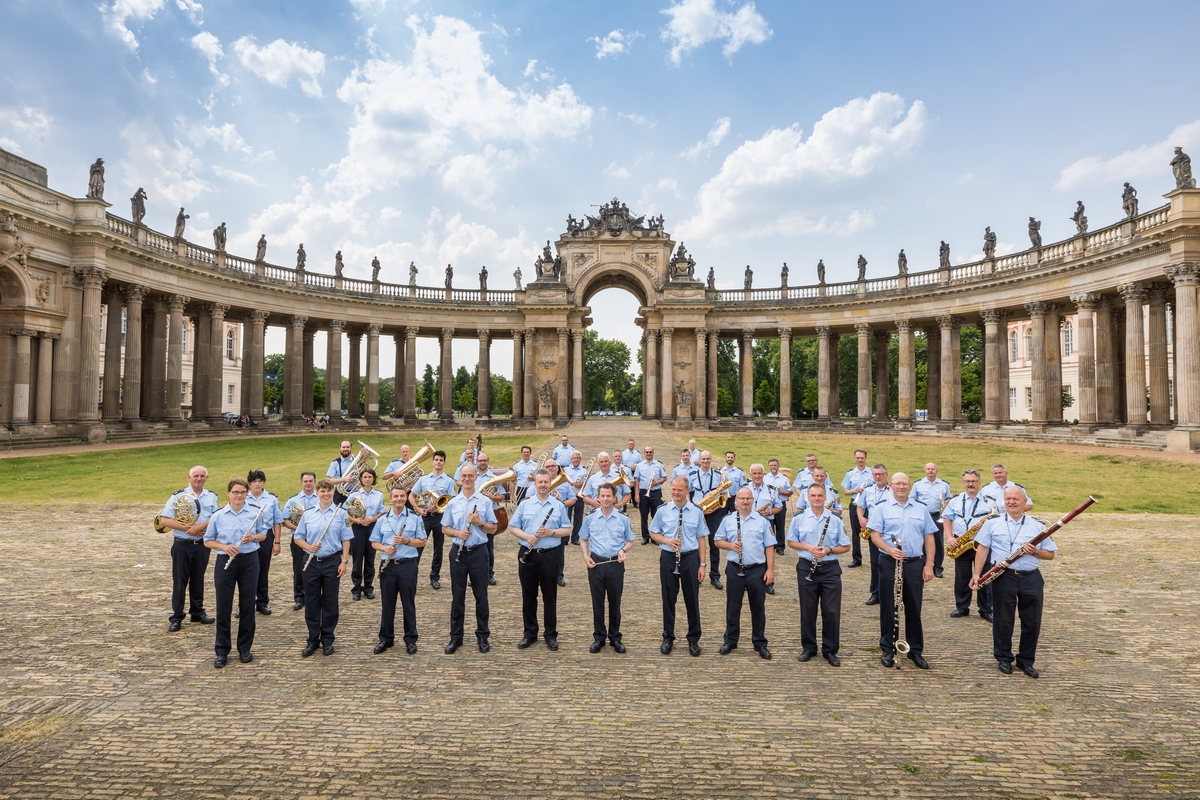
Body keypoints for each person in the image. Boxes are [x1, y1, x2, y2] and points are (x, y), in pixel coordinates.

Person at [971, 486, 1057, 678]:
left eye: (1016, 499)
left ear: (1024, 502)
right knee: (1003, 620)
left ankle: (1026, 661)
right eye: (1008, 498)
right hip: (1004, 576)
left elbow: (1050, 555)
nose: (1011, 502)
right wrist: (977, 574)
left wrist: (1034, 551)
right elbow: (983, 550)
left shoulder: (1037, 526)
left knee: (1032, 621)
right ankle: (1003, 658)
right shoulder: (993, 523)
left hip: (1031, 577)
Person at [867, 472, 938, 669]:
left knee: (914, 608)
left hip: (915, 563)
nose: (901, 487)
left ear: (909, 486)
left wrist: (929, 565)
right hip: (889, 561)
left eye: (904, 484)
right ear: (891, 486)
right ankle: (888, 649)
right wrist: (889, 549)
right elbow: (875, 535)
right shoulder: (882, 508)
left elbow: (929, 539)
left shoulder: (921, 509)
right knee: (889, 607)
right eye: (897, 483)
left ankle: (915, 651)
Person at [203, 478, 267, 667]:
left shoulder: (255, 513)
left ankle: (244, 648)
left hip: (249, 561)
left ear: (246, 494)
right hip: (226, 561)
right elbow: (208, 540)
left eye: (242, 492)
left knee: (248, 605)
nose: (239, 495)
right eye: (235, 492)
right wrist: (224, 546)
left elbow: (263, 534)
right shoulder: (218, 515)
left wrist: (253, 537)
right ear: (228, 494)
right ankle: (222, 650)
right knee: (224, 605)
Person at [788, 483, 851, 666]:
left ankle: (830, 650)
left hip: (830, 568)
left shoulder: (836, 520)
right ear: (808, 497)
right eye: (813, 495)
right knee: (808, 609)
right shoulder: (799, 519)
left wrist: (829, 550)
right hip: (806, 566)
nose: (816, 498)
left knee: (831, 611)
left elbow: (846, 546)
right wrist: (808, 546)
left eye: (820, 495)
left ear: (825, 498)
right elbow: (791, 541)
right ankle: (809, 648)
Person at [509, 469, 572, 651]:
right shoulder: (525, 504)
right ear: (534, 484)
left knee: (550, 596)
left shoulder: (558, 505)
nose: (543, 485)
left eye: (546, 482)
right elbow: (513, 527)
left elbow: (567, 530)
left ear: (550, 483)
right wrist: (527, 537)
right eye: (540, 482)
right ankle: (530, 633)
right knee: (528, 596)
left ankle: (550, 635)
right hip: (528, 554)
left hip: (550, 554)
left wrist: (551, 532)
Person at [292, 479, 353, 657]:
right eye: (322, 491)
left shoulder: (341, 514)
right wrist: (308, 547)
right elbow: (298, 537)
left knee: (330, 601)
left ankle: (327, 639)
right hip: (311, 562)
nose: (325, 494)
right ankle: (312, 639)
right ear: (317, 493)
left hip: (332, 561)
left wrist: (344, 561)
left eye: (328, 491)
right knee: (311, 602)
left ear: (333, 492)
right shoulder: (308, 514)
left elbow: (346, 539)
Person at [442, 464, 498, 654]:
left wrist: (479, 523)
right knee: (457, 597)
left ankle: (483, 635)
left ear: (475, 478)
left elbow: (494, 528)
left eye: (470, 476)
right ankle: (455, 637)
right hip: (458, 551)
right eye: (463, 476)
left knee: (481, 596)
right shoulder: (453, 502)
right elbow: (445, 528)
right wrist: (457, 532)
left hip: (478, 552)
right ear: (460, 478)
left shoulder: (484, 502)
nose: (466, 479)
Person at [714, 487, 776, 659]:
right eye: (742, 498)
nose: (745, 501)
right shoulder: (728, 520)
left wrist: (770, 570)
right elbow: (718, 541)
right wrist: (730, 545)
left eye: (748, 498)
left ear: (752, 500)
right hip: (735, 568)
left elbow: (769, 546)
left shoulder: (762, 521)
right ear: (736, 501)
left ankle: (760, 642)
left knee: (758, 608)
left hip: (756, 569)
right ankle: (730, 640)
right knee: (733, 607)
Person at [648, 476, 707, 656]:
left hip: (690, 558)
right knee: (668, 598)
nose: (675, 493)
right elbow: (653, 532)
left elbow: (701, 539)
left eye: (679, 490)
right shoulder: (663, 510)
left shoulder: (696, 511)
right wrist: (666, 540)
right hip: (668, 556)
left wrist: (702, 564)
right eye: (673, 489)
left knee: (692, 599)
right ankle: (668, 636)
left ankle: (693, 639)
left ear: (686, 491)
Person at [160, 466, 219, 632]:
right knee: (180, 581)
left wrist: (201, 526)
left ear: (206, 478)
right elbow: (165, 520)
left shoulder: (212, 496)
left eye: (202, 476)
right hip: (183, 544)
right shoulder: (178, 496)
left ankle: (197, 612)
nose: (198, 479)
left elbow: (215, 516)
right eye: (195, 476)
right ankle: (177, 617)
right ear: (189, 477)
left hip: (202, 545)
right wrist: (188, 529)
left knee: (198, 579)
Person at [579, 484, 635, 653]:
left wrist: (623, 550)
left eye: (608, 496)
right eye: (602, 496)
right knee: (597, 602)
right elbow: (583, 538)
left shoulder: (623, 518)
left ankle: (615, 637)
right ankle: (599, 637)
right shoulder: (590, 518)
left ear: (614, 497)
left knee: (615, 602)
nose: (605, 499)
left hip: (615, 564)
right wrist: (585, 556)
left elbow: (630, 540)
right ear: (598, 497)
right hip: (596, 564)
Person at [371, 485, 426, 655]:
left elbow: (422, 541)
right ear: (391, 498)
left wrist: (406, 541)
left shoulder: (415, 518)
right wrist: (386, 548)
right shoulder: (382, 519)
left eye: (402, 496)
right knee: (388, 604)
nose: (399, 499)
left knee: (408, 604)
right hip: (388, 566)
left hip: (407, 565)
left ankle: (411, 639)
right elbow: (374, 542)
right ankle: (386, 639)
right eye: (396, 496)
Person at [942, 469, 995, 622]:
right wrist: (950, 536)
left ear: (979, 483)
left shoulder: (989, 500)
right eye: (967, 481)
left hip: (983, 542)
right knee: (961, 576)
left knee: (985, 576)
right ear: (963, 482)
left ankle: (985, 609)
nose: (970, 484)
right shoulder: (956, 500)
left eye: (973, 481)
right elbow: (947, 518)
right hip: (962, 542)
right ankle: (962, 607)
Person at [412, 450, 455, 590]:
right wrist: (419, 509)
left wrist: (439, 507)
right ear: (432, 462)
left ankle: (435, 576)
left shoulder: (449, 480)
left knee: (438, 549)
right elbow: (411, 496)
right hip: (425, 517)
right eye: (436, 460)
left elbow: (452, 500)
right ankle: (412, 577)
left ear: (444, 462)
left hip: (440, 518)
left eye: (441, 460)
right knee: (418, 547)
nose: (438, 462)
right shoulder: (423, 479)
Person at [690, 450, 729, 591]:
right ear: (699, 460)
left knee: (714, 544)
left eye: (708, 459)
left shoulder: (718, 476)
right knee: (696, 544)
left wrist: (717, 505)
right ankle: (697, 574)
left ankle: (715, 576)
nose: (705, 461)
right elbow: (688, 494)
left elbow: (725, 493)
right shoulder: (692, 475)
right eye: (703, 459)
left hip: (714, 512)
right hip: (697, 511)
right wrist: (693, 508)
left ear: (711, 459)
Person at [282, 473, 320, 611]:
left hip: (316, 539)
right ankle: (299, 598)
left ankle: (313, 597)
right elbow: (285, 520)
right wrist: (298, 528)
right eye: (305, 481)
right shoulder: (293, 500)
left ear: (315, 482)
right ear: (301, 483)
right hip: (298, 539)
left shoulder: (321, 497)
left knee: (316, 569)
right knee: (299, 568)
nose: (308, 483)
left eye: (310, 481)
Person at [247, 470, 283, 616]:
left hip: (266, 536)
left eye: (260, 481)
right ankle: (245, 604)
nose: (257, 484)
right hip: (248, 535)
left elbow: (277, 522)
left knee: (263, 570)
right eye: (254, 481)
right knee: (246, 571)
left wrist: (277, 542)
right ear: (249, 483)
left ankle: (262, 602)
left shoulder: (271, 499)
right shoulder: (244, 497)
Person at [345, 468, 384, 601]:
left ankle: (368, 587)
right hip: (357, 528)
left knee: (370, 559)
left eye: (370, 477)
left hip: (372, 527)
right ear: (361, 480)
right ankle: (356, 588)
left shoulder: (379, 495)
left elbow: (381, 512)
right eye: (365, 477)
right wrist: (357, 520)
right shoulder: (354, 495)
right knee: (357, 559)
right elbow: (346, 512)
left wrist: (371, 519)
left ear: (374, 479)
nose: (367, 479)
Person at [857, 464, 893, 605]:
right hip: (874, 531)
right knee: (875, 562)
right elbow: (860, 507)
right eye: (875, 474)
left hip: (890, 531)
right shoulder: (868, 490)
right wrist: (861, 517)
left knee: (890, 562)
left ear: (886, 474)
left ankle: (890, 593)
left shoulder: (892, 490)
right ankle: (876, 593)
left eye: (880, 474)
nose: (877, 477)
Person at [746, 464, 783, 595]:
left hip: (766, 522)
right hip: (748, 523)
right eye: (754, 473)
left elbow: (779, 507)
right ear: (750, 475)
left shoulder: (771, 490)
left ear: (763, 474)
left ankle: (769, 582)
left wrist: (770, 511)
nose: (757, 476)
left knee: (768, 551)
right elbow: (736, 504)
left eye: (759, 473)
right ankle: (749, 579)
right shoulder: (745, 488)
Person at [912, 462, 952, 578]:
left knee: (938, 541)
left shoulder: (944, 485)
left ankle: (938, 567)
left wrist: (947, 501)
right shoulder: (918, 484)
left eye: (933, 469)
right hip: (922, 516)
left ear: (937, 471)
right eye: (928, 469)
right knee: (923, 540)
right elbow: (912, 499)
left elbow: (949, 497)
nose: (930, 471)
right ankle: (925, 564)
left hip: (937, 515)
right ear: (925, 471)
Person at [475, 452, 506, 585]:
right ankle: (475, 575)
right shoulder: (472, 477)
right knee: (474, 546)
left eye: (485, 460)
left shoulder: (494, 478)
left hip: (489, 516)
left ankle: (489, 574)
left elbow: (502, 496)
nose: (482, 462)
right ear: (477, 462)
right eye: (480, 460)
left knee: (488, 546)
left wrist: (493, 497)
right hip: (474, 515)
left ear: (488, 461)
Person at [841, 449, 871, 567]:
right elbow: (845, 491)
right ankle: (857, 559)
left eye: (862, 458)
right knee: (855, 532)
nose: (860, 460)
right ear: (855, 458)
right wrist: (854, 490)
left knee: (871, 531)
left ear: (865, 458)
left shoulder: (871, 472)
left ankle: (874, 558)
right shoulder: (850, 473)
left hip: (869, 505)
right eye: (858, 458)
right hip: (855, 503)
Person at [633, 446, 667, 545]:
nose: (649, 453)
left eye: (650, 452)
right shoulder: (640, 465)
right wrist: (636, 494)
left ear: (653, 453)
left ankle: (655, 537)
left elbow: (664, 477)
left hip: (655, 492)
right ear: (644, 453)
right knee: (643, 515)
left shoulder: (658, 465)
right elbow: (636, 480)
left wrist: (656, 482)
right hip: (643, 492)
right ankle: (645, 537)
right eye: (647, 452)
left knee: (656, 515)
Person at [765, 459, 793, 556]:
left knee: (780, 526)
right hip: (769, 504)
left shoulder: (784, 478)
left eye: (775, 465)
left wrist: (781, 492)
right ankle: (770, 546)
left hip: (780, 503)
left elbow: (790, 491)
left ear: (778, 466)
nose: (773, 467)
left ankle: (780, 547)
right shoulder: (765, 477)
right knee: (770, 526)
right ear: (769, 466)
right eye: (771, 465)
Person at [563, 451, 589, 546]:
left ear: (580, 459)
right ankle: (565, 538)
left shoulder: (585, 470)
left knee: (578, 517)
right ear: (571, 459)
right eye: (574, 458)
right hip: (568, 495)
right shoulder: (565, 470)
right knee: (566, 517)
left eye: (578, 458)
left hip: (579, 495)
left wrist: (583, 484)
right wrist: (573, 483)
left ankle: (575, 538)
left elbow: (588, 481)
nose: (576, 460)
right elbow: (563, 481)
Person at [327, 440, 356, 506]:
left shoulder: (357, 462)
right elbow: (329, 481)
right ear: (340, 448)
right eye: (343, 447)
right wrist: (344, 479)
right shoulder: (335, 463)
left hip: (355, 492)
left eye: (347, 447)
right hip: (340, 494)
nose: (345, 449)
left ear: (351, 448)